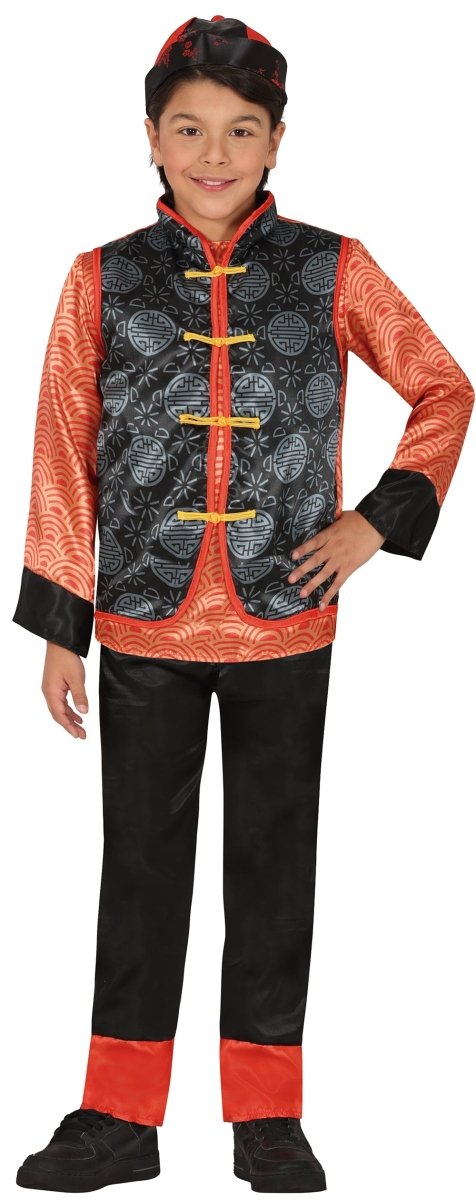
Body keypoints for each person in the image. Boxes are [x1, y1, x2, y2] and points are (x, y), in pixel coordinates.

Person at [13, 13, 474, 1195]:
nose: (212, 154)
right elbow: (62, 446)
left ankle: (266, 1115)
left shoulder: (332, 267)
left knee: (272, 867)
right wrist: (62, 626)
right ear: (150, 138)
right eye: (187, 130)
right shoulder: (100, 277)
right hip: (143, 617)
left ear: (275, 140)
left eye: (238, 130)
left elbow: (441, 387)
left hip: (286, 613)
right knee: (139, 871)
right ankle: (119, 1117)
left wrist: (375, 522)